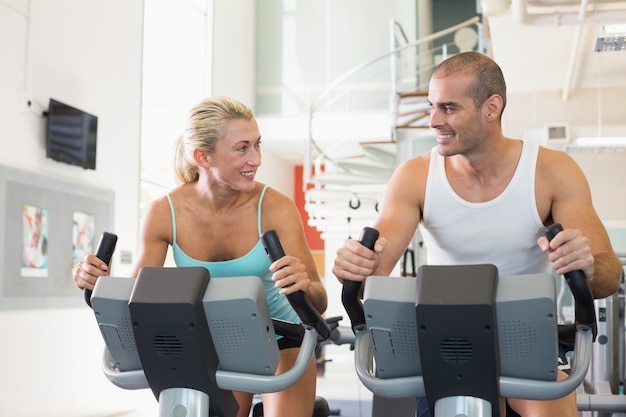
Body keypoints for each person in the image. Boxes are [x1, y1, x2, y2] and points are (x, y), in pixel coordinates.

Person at [332, 51, 622, 417]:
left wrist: (588, 268)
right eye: (431, 107)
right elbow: (375, 272)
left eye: (449, 108)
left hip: (526, 336)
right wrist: (355, 266)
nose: (434, 121)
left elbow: (609, 274)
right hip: (445, 339)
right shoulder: (414, 176)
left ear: (492, 107)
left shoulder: (551, 171)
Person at [74, 96, 328, 417]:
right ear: (202, 157)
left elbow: (319, 302)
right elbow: (139, 302)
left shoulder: (276, 208)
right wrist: (100, 285)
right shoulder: (165, 213)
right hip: (220, 338)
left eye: (257, 145)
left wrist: (302, 286)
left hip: (284, 336)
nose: (256, 159)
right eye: (242, 148)